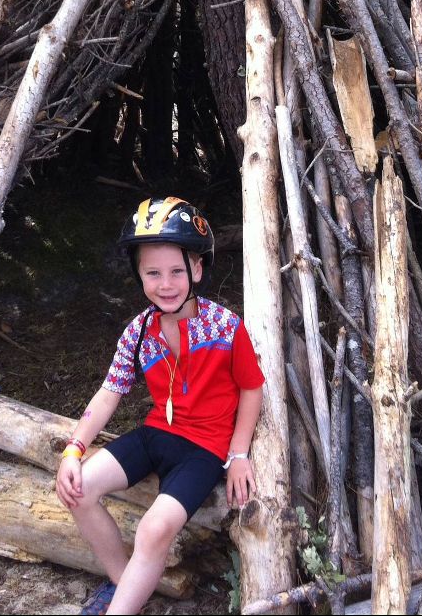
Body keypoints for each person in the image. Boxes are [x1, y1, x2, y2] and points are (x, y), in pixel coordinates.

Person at [55, 196, 265, 616]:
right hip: (156, 434)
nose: (165, 284)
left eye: (175, 271)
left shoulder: (225, 327)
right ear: (139, 275)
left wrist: (238, 453)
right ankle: (122, 582)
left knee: (154, 528)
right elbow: (110, 390)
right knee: (78, 491)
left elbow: (251, 388)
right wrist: (74, 448)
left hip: (205, 449)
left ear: (197, 269)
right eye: (153, 273)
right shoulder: (139, 331)